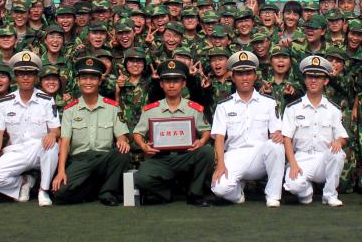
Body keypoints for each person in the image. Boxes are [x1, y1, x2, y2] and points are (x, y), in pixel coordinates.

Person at [132, 59, 214, 206]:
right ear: (161, 84)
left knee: (207, 151)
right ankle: (166, 193)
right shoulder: (151, 109)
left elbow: (206, 130)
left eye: (176, 81)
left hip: (186, 156)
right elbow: (137, 133)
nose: (171, 85)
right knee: (141, 177)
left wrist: (201, 141)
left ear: (183, 84)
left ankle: (195, 193)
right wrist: (143, 146)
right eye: (167, 81)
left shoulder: (193, 108)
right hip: (160, 158)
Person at [210, 51, 285, 207]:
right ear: (232, 77)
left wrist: (279, 134)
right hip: (234, 154)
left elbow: (276, 132)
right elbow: (219, 138)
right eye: (240, 74)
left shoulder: (269, 102)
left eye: (248, 73)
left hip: (260, 155)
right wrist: (220, 164)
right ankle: (237, 194)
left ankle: (273, 196)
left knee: (276, 145)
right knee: (219, 188)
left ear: (255, 76)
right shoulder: (224, 106)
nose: (245, 78)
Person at [52, 57, 131, 206]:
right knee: (60, 193)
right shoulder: (70, 110)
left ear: (100, 81)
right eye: (84, 78)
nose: (88, 82)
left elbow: (121, 134)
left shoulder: (112, 107)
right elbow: (65, 142)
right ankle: (95, 188)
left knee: (123, 153)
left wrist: (122, 140)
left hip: (104, 159)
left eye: (93, 78)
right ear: (78, 81)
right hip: (80, 160)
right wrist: (61, 171)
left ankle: (107, 192)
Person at [0, 53, 60, 206]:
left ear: (36, 77)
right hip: (16, 151)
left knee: (52, 146)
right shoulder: (5, 102)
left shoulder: (46, 100)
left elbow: (56, 129)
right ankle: (24, 182)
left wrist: (52, 134)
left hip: (39, 148)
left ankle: (43, 190)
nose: (25, 78)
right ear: (16, 76)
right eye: (21, 74)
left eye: (30, 74)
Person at [281, 55, 348, 207]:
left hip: (323, 158)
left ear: (326, 81)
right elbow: (286, 138)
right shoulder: (293, 108)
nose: (313, 81)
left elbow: (343, 136)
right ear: (304, 80)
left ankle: (330, 195)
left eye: (318, 77)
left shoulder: (333, 109)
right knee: (294, 186)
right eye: (310, 77)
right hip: (301, 158)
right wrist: (293, 164)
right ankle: (306, 192)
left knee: (338, 154)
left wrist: (339, 141)